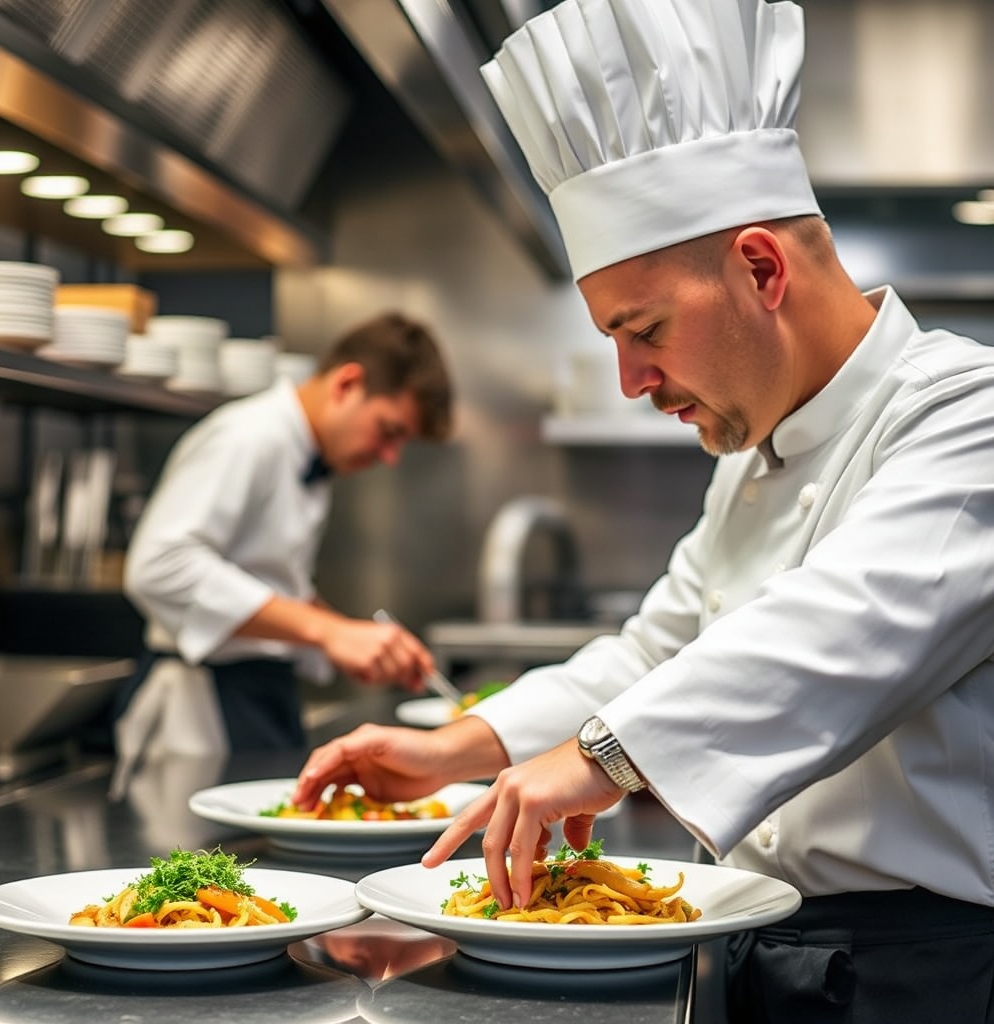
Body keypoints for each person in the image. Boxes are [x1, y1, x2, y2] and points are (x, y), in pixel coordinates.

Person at [293, 1, 994, 1021]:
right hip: (776, 943)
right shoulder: (756, 448)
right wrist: (462, 745)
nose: (630, 379)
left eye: (644, 328)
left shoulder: (967, 415)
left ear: (760, 269)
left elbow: (842, 632)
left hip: (926, 975)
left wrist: (597, 758)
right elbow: (652, 653)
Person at [114, 311, 454, 757]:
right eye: (389, 432)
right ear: (346, 384)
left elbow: (267, 582)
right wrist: (327, 633)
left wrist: (347, 638)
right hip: (199, 712)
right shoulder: (249, 437)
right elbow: (158, 566)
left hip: (258, 697)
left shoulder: (307, 453)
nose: (390, 457)